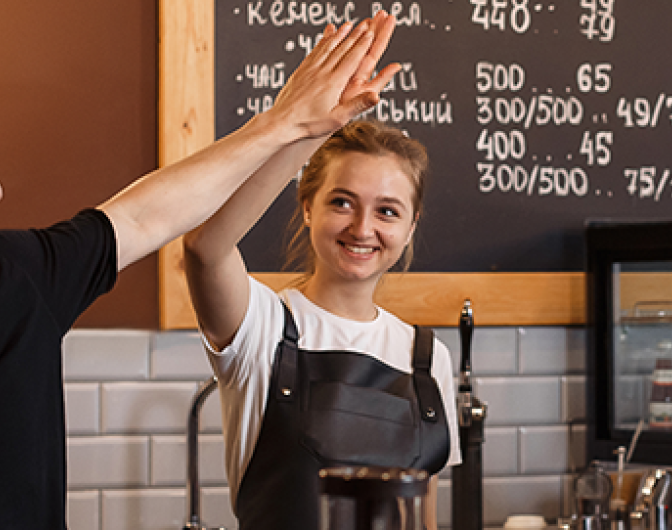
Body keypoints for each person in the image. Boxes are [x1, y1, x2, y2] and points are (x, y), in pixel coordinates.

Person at [0, 14, 396, 530]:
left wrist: (287, 124)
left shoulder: (22, 273)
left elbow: (145, 215)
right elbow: (202, 246)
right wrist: (288, 126)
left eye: (389, 210)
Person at [182, 51, 460, 530]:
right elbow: (205, 247)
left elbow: (423, 516)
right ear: (307, 206)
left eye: (387, 211)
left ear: (411, 227)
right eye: (341, 202)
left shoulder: (427, 357)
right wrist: (305, 128)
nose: (362, 227)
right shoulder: (261, 326)